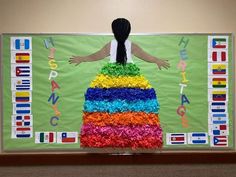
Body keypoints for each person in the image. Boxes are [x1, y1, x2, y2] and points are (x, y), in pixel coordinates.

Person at [69, 18, 170, 149]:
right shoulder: (130, 45)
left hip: (110, 78)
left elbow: (97, 55)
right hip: (131, 79)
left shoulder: (112, 45)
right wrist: (156, 60)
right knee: (132, 107)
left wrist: (83, 59)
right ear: (128, 31)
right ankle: (129, 137)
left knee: (108, 107)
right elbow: (146, 56)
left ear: (114, 30)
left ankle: (113, 137)